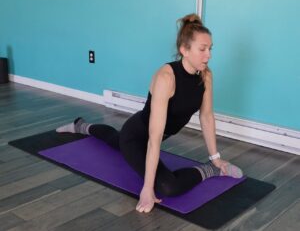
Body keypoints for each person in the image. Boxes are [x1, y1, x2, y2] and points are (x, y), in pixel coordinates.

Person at [56, 13, 243, 213]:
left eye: (210, 49)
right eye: (202, 49)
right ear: (184, 50)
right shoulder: (166, 78)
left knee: (113, 140)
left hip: (154, 137)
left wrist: (215, 156)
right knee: (166, 186)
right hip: (136, 136)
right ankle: (209, 170)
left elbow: (206, 117)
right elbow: (154, 139)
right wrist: (146, 188)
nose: (209, 55)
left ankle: (81, 125)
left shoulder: (206, 76)